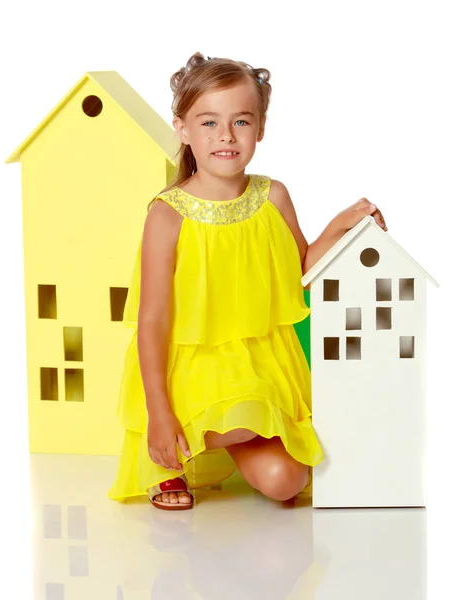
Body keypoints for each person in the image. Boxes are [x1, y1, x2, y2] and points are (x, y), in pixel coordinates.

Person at [108, 52, 388, 510]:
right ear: (182, 130)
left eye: (240, 121)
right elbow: (153, 318)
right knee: (226, 421)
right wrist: (159, 411)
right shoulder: (167, 214)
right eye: (209, 123)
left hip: (257, 366)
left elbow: (300, 271)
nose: (225, 136)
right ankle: (172, 457)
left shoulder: (273, 196)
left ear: (259, 128)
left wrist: (341, 224)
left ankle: (228, 446)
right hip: (190, 370)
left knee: (287, 482)